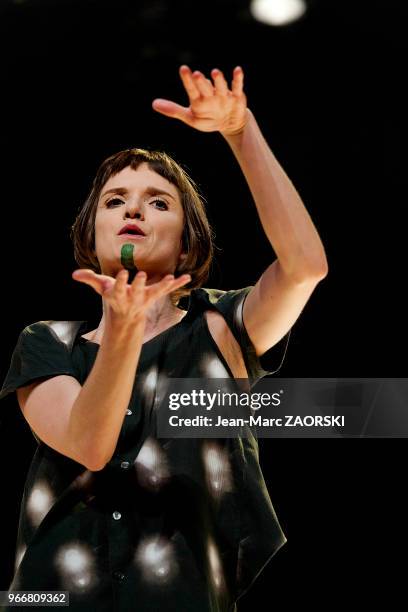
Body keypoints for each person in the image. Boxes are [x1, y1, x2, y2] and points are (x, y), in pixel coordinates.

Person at [0, 65, 328, 611]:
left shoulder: (220, 324)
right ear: (91, 236)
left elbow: (304, 269)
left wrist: (240, 131)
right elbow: (90, 445)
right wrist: (123, 332)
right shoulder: (49, 342)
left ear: (184, 246)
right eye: (114, 200)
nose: (133, 208)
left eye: (158, 201)